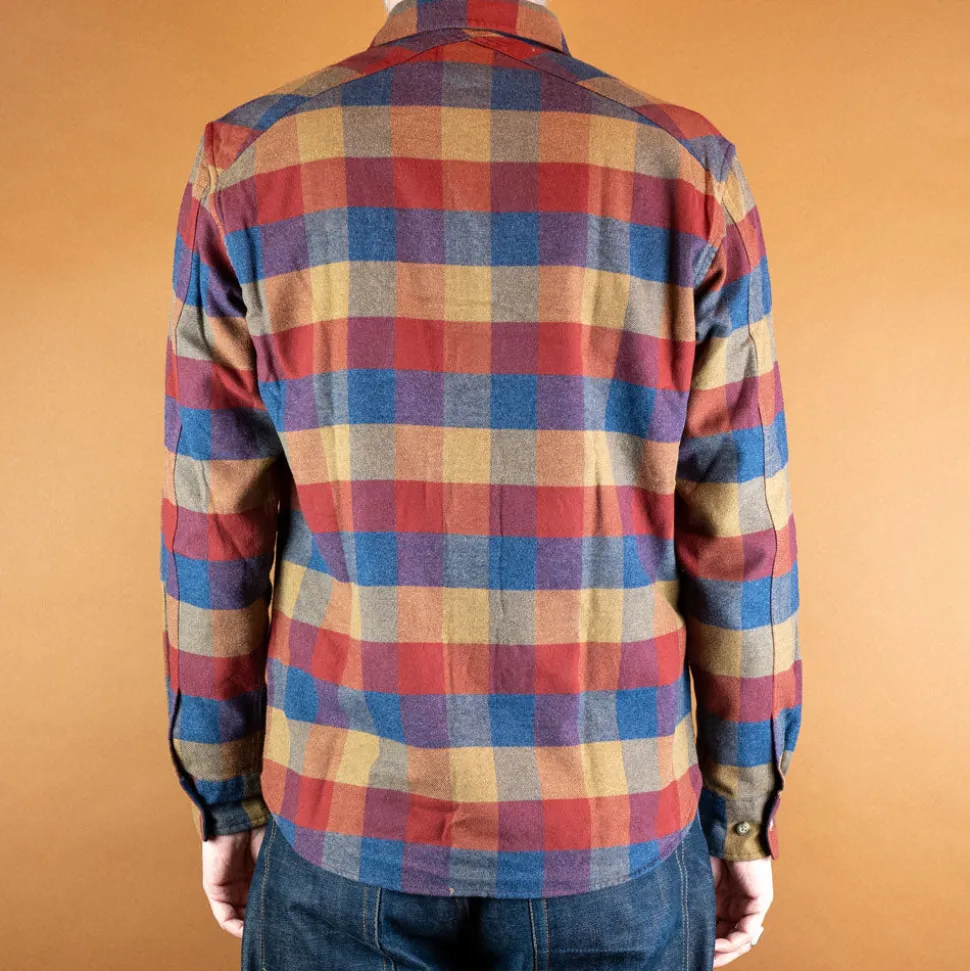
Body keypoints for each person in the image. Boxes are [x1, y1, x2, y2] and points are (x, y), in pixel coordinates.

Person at [159, 0, 802, 968]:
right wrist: (742, 813)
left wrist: (224, 794)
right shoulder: (684, 168)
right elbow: (741, 532)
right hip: (611, 826)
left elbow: (212, 523)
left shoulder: (252, 163)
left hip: (345, 819)